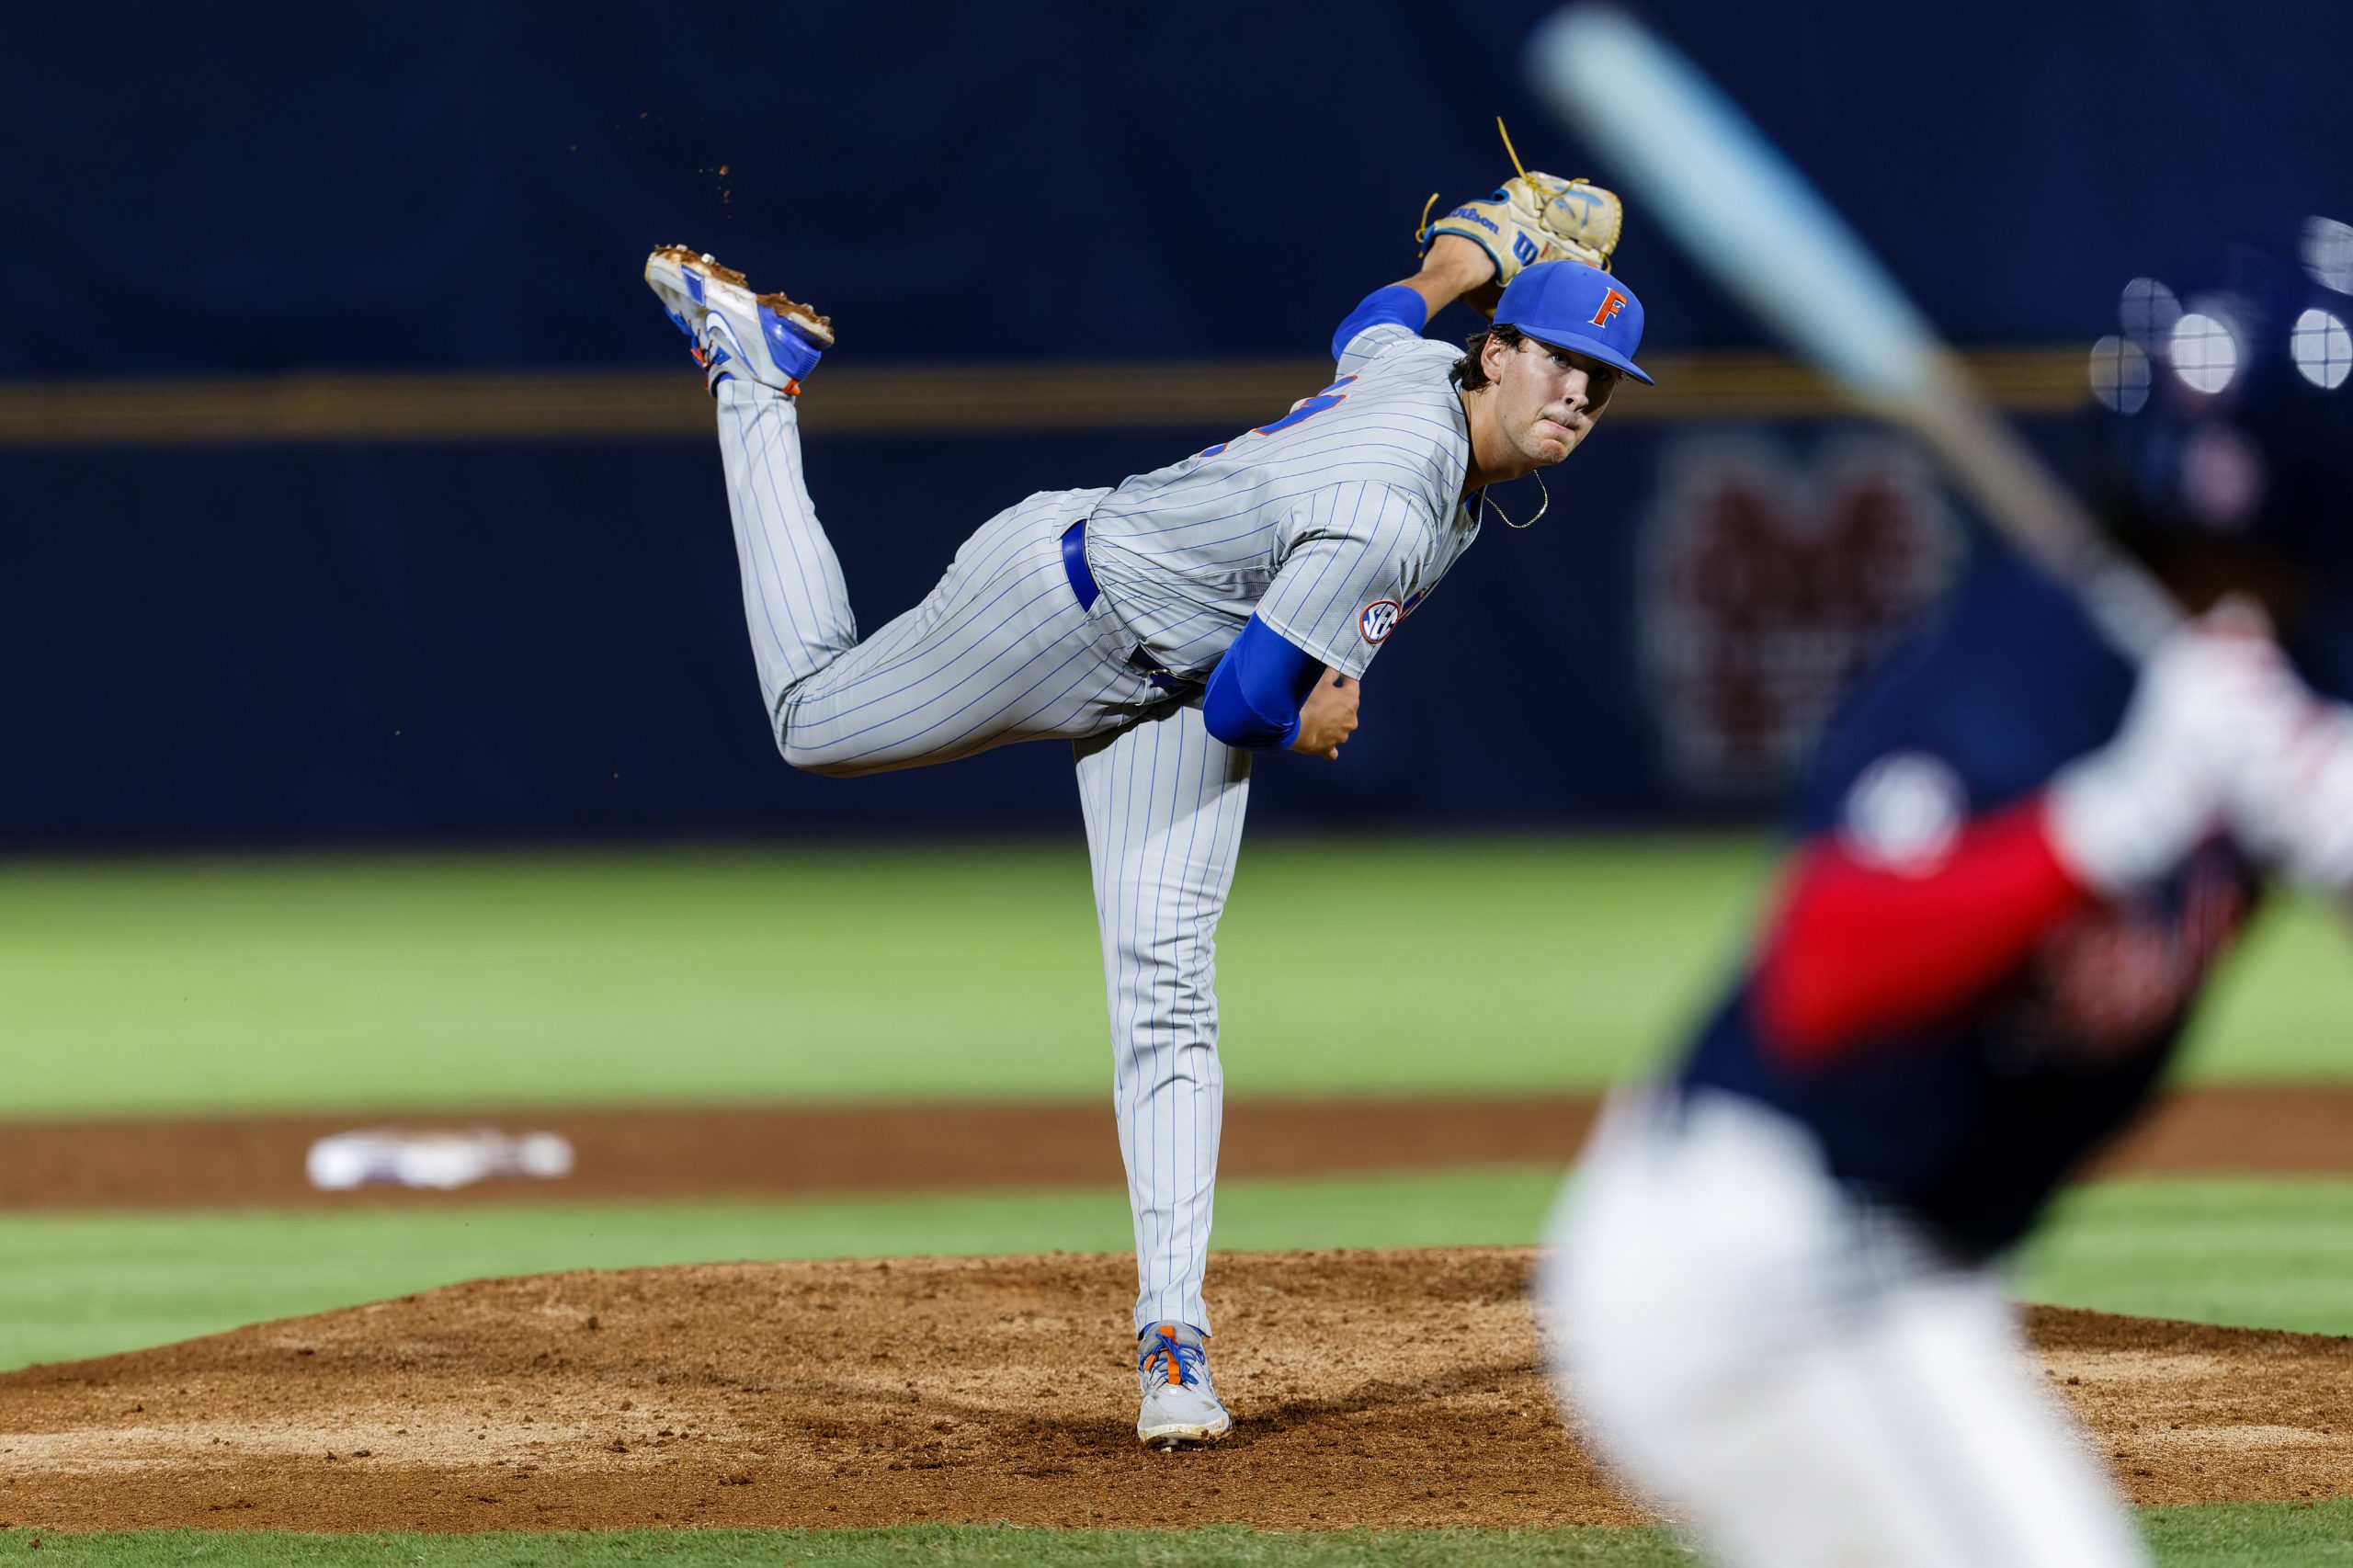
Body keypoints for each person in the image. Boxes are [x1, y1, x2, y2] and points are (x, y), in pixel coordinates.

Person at [644, 170, 1651, 1449]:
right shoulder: (1395, 503)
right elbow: (1247, 703)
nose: (1576, 391)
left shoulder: (1422, 377)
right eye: (1557, 358)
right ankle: (755, 376)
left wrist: (1463, 256)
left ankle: (1172, 1340)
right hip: (1065, 603)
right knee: (808, 724)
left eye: (1600, 378)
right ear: (1498, 356)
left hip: (1167, 678)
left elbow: (1369, 322)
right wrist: (1317, 719)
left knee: (1168, 983)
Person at [1539, 228, 2353, 1564]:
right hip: (1765, 1262)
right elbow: (1824, 968)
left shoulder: (2283, 681)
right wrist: (2110, 822)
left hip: (1910, 1281)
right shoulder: (2024, 676)